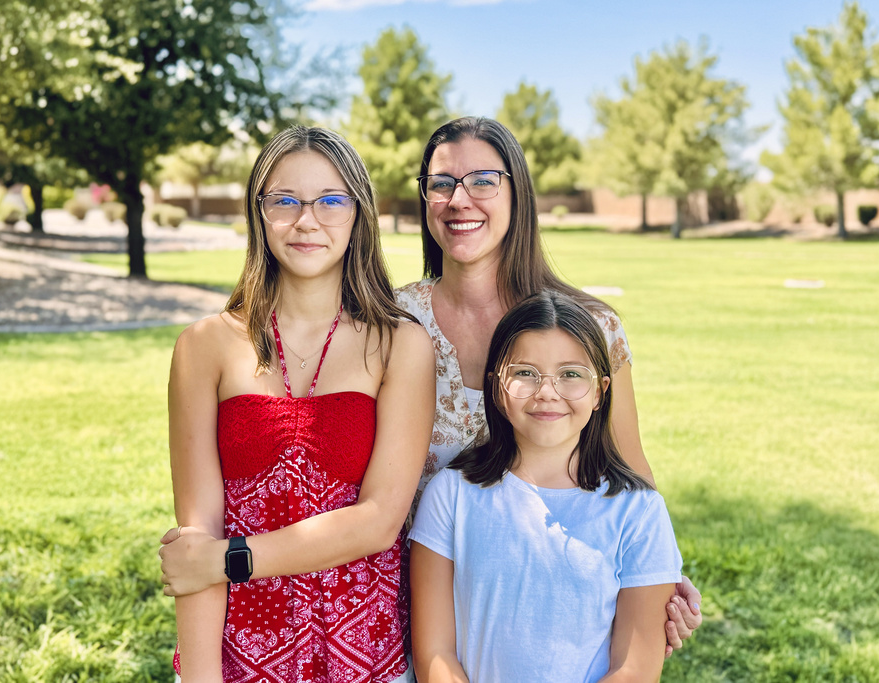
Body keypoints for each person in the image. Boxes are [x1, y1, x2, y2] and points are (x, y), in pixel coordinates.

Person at [393, 116, 702, 654]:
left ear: (519, 195)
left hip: (547, 609)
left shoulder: (589, 328)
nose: (460, 199)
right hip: (404, 609)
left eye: (484, 181)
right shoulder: (390, 321)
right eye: (442, 183)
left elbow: (626, 466)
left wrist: (657, 576)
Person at [160, 125, 434, 682]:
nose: (306, 220)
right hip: (240, 651)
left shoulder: (400, 345)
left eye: (330, 201)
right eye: (284, 200)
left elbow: (379, 522)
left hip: (367, 655)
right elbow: (196, 542)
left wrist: (230, 559)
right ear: (258, 213)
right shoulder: (203, 346)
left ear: (359, 213)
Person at [409, 291, 683, 682]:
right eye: (525, 373)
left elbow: (634, 669)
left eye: (571, 374)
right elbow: (435, 653)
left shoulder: (639, 511)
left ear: (600, 392)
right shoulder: (450, 495)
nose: (547, 392)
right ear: (496, 388)